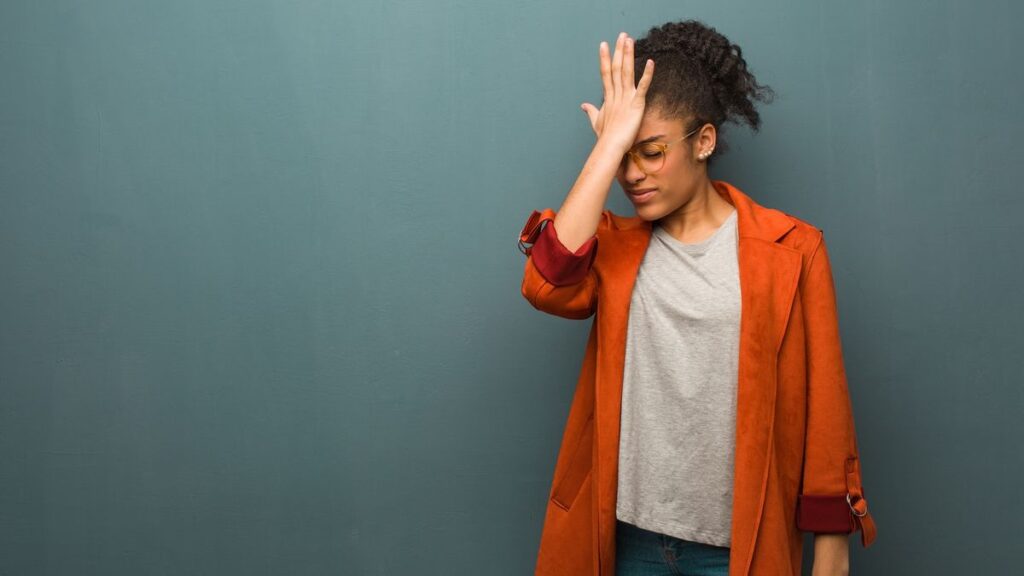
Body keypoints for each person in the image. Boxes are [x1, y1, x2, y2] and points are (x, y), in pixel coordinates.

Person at [517, 19, 877, 576]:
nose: (633, 175)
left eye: (652, 153)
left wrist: (831, 552)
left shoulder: (791, 249)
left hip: (736, 550)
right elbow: (546, 286)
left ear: (703, 141)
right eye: (623, 160)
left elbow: (826, 412)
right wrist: (610, 143)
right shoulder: (611, 246)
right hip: (626, 541)